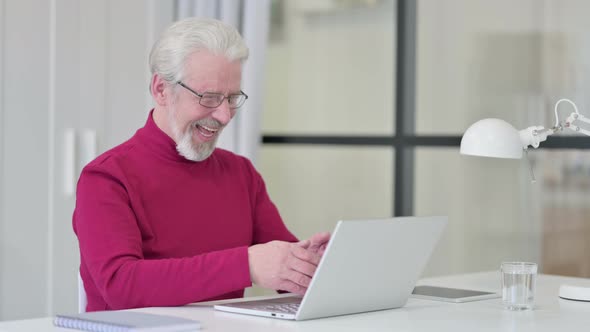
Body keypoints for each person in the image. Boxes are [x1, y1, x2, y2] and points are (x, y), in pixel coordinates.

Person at [73, 17, 330, 312]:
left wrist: (313, 265)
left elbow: (284, 273)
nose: (224, 116)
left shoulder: (241, 174)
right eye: (209, 98)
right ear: (161, 90)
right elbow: (121, 287)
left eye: (232, 98)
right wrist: (245, 265)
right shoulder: (106, 178)